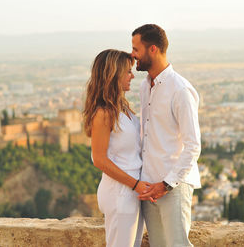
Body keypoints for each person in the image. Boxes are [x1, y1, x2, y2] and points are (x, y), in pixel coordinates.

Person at [131, 24, 201, 247]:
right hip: (148, 185)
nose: (132, 55)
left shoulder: (180, 89)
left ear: (152, 49)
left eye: (136, 49)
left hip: (173, 184)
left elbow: (193, 145)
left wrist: (167, 183)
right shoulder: (145, 87)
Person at [83, 49, 151, 247]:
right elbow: (99, 159)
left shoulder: (121, 107)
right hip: (120, 191)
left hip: (130, 190)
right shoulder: (103, 113)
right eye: (127, 71)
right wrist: (135, 184)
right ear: (112, 74)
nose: (132, 75)